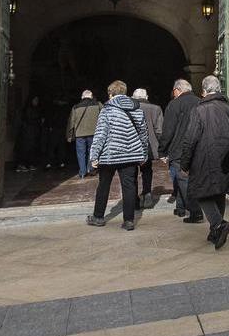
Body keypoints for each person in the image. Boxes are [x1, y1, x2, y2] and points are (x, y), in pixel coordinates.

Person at [178, 75, 229, 249]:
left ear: (204, 91)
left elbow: (190, 139)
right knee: (218, 192)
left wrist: (184, 163)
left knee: (202, 192)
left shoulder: (199, 110)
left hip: (203, 159)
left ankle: (218, 224)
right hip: (225, 158)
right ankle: (215, 231)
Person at [87, 81, 149, 231]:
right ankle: (128, 221)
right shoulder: (136, 109)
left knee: (103, 186)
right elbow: (143, 134)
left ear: (110, 93)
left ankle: (98, 217)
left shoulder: (107, 110)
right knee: (129, 186)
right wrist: (143, 154)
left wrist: (94, 156)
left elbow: (101, 135)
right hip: (131, 155)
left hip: (110, 155)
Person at [160, 79, 201, 222]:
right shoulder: (200, 102)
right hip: (197, 147)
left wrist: (162, 150)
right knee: (184, 178)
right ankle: (181, 207)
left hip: (179, 148)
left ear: (177, 90)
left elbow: (168, 130)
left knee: (182, 179)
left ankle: (195, 211)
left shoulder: (174, 104)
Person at [132, 88, 164, 209]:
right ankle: (147, 193)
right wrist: (162, 148)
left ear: (133, 97)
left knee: (132, 172)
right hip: (149, 145)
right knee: (147, 170)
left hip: (132, 145)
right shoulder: (156, 108)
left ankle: (134, 198)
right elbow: (159, 130)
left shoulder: (130, 108)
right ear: (147, 96)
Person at [66, 90, 102, 179]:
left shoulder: (75, 107)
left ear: (82, 97)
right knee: (92, 151)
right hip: (94, 132)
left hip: (80, 134)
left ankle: (82, 172)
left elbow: (71, 122)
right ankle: (90, 169)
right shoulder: (98, 105)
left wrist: (69, 135)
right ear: (91, 96)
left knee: (81, 153)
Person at [15, 95, 43, 172]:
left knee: (31, 149)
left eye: (37, 100)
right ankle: (21, 165)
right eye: (35, 100)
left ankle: (29, 164)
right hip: (26, 133)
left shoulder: (36, 109)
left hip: (32, 133)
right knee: (25, 149)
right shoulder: (26, 110)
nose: (36, 102)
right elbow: (28, 120)